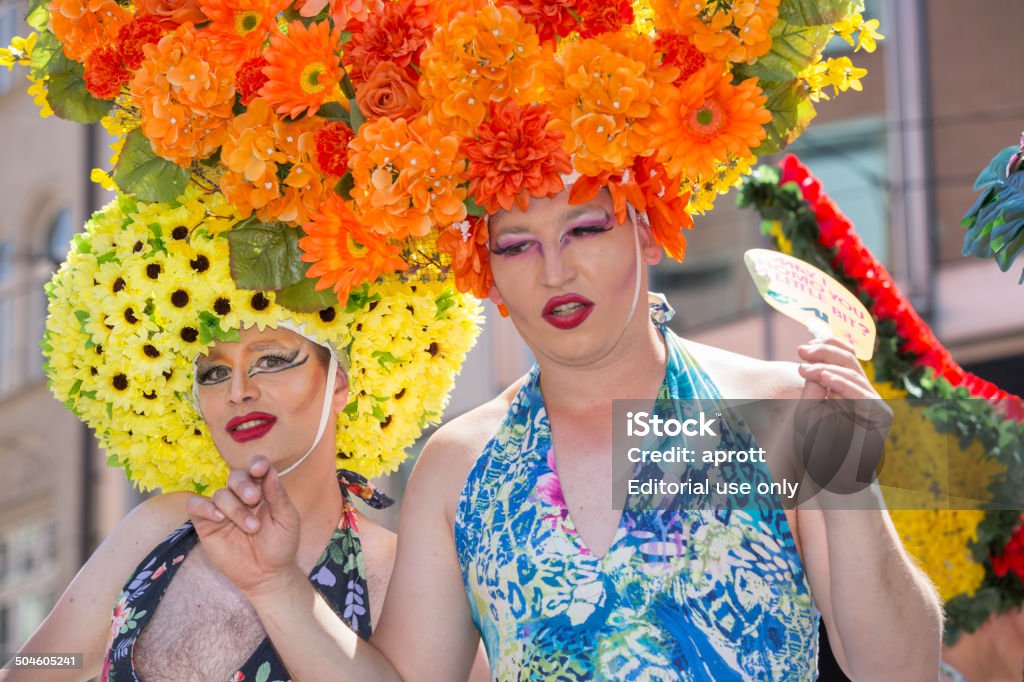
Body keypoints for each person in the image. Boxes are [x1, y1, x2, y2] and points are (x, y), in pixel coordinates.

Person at [189, 185, 944, 681]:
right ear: (486, 275)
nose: (554, 270)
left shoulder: (781, 408)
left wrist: (851, 477)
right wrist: (276, 586)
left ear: (648, 235)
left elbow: (898, 669)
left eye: (584, 228)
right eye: (516, 245)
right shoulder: (460, 465)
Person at [0, 187, 483, 681]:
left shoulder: (403, 578)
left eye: (271, 360)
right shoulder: (158, 530)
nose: (238, 390)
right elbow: (47, 662)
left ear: (340, 381)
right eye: (211, 373)